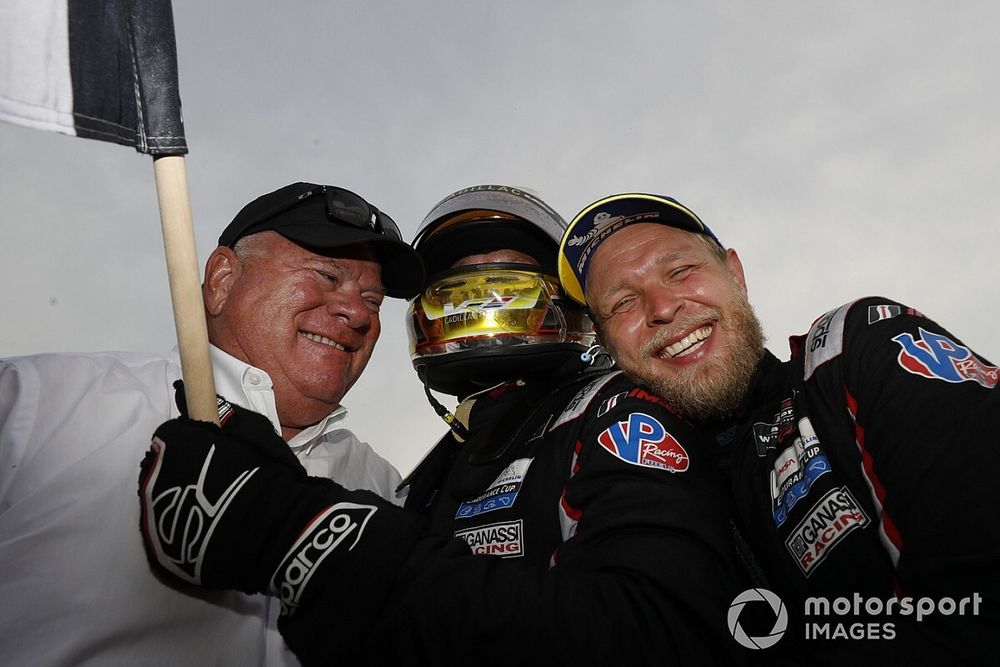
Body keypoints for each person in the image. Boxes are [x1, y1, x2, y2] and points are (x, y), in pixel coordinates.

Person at [137, 185, 754, 666]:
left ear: (571, 310)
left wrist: (305, 537)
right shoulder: (421, 477)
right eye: (453, 295)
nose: (477, 310)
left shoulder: (615, 409)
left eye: (503, 286)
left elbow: (665, 635)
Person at [556, 192, 1000, 664]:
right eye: (624, 301)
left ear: (736, 275)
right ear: (606, 343)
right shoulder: (602, 480)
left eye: (681, 271)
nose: (662, 307)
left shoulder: (853, 353)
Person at [0, 182, 423, 666]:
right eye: (326, 275)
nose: (357, 313)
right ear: (221, 280)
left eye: (373, 299)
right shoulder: (40, 405)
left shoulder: (390, 492)